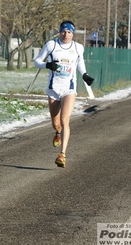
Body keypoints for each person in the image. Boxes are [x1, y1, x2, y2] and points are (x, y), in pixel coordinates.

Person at [33, 20, 94, 168]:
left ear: (73, 34)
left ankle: (62, 155)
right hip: (54, 89)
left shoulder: (78, 48)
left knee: (65, 119)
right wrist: (48, 65)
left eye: (69, 32)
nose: (66, 34)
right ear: (59, 32)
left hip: (69, 89)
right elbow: (37, 61)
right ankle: (58, 132)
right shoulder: (51, 45)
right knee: (56, 123)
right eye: (63, 31)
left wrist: (84, 74)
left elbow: (80, 62)